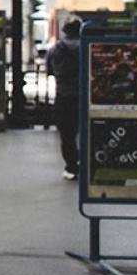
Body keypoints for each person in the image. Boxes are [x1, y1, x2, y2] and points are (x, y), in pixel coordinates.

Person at [46, 16, 82, 181]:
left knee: (67, 134)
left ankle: (71, 167)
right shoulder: (88, 47)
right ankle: (87, 163)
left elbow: (50, 72)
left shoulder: (55, 50)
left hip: (64, 95)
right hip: (85, 96)